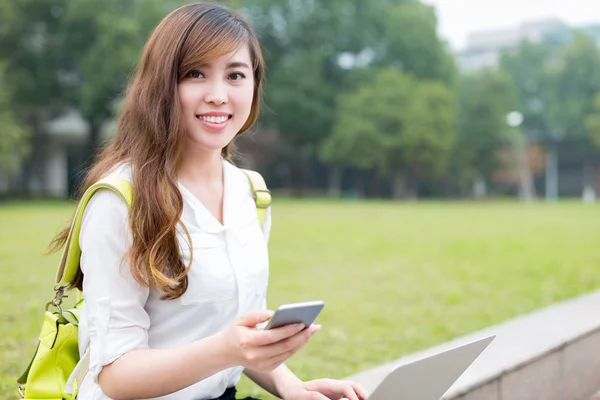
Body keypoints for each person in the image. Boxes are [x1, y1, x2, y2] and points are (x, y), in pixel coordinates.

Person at [49, 2, 367, 400]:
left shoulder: (251, 194)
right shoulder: (121, 201)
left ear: (254, 84)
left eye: (235, 75)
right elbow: (115, 375)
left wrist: (295, 389)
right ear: (162, 84)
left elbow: (236, 332)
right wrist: (225, 349)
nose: (218, 95)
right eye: (195, 73)